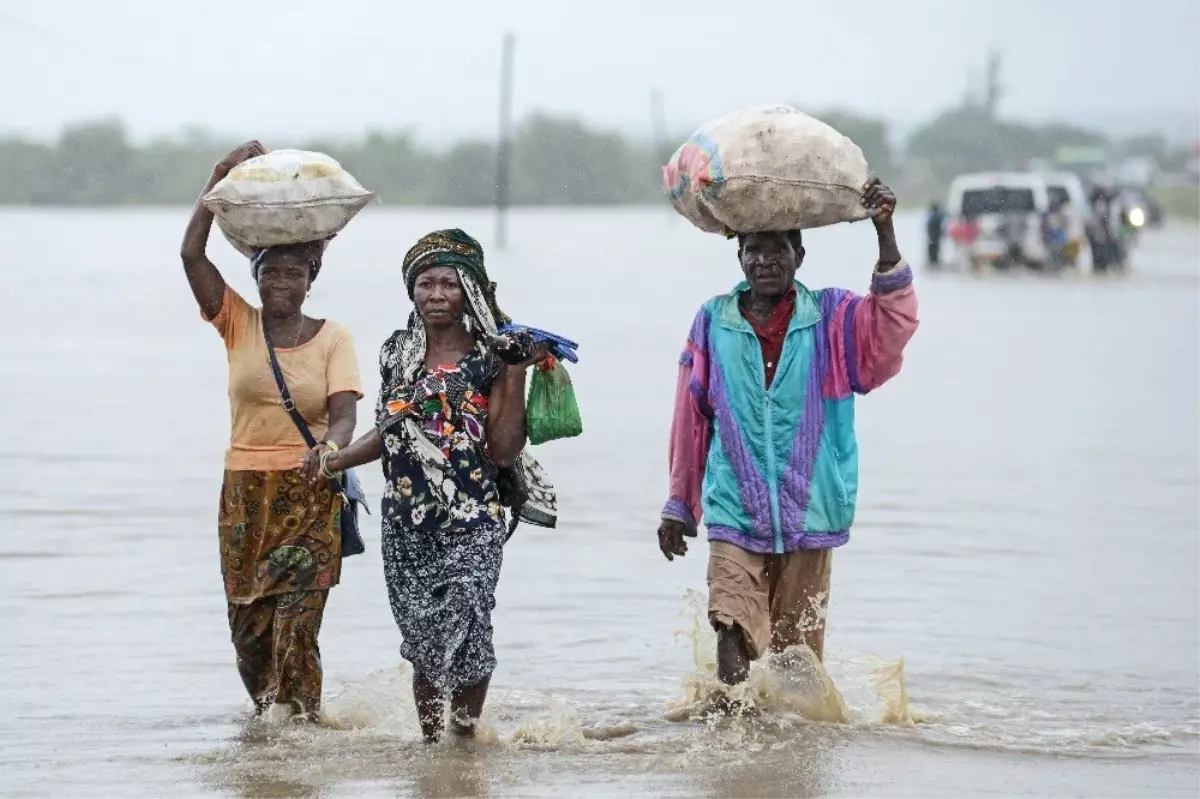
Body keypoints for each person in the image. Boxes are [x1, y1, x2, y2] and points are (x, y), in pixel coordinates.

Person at [656, 179, 918, 687]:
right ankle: (731, 739)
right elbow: (690, 418)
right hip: (735, 509)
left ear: (799, 255)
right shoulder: (714, 322)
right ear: (739, 258)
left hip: (811, 510)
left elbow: (892, 325)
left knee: (796, 667)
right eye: (754, 251)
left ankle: (784, 758)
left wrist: (883, 228)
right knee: (728, 625)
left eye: (778, 251)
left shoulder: (834, 319)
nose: (765, 263)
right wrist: (679, 505)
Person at [321, 229, 557, 742]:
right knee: (423, 637)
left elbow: (502, 449)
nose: (435, 295)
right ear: (412, 291)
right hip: (406, 519)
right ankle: (433, 746)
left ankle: (464, 740)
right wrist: (334, 460)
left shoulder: (493, 356)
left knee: (470, 622)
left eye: (447, 284)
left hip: (473, 517)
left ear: (469, 290)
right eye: (425, 284)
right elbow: (389, 431)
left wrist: (515, 374)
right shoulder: (395, 354)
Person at [180, 140, 363, 720]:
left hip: (310, 492)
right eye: (270, 272)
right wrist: (216, 180)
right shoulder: (238, 323)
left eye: (292, 272)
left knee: (296, 628)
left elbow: (345, 414)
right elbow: (191, 257)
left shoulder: (334, 337)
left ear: (311, 278)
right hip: (244, 496)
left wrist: (332, 450)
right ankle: (270, 728)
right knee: (249, 629)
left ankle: (302, 733)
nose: (280, 282)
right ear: (256, 277)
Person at [925, 201, 946, 266]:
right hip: (935, 237)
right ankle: (934, 262)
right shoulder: (937, 215)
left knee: (931, 252)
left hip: (932, 236)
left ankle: (932, 262)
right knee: (935, 251)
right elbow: (940, 225)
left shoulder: (931, 215)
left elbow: (928, 227)